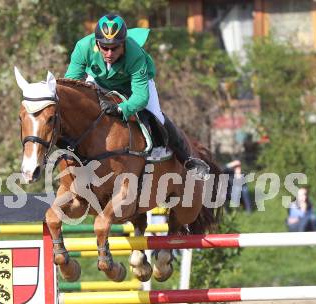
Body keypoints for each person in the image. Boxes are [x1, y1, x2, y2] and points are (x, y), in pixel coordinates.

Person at [64, 14, 210, 180]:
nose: (109, 53)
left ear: (123, 43)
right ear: (97, 43)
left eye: (115, 47)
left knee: (156, 117)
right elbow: (71, 84)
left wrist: (121, 108)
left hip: (133, 86)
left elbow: (140, 96)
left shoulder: (135, 53)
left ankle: (188, 159)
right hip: (100, 82)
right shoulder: (83, 47)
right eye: (104, 47)